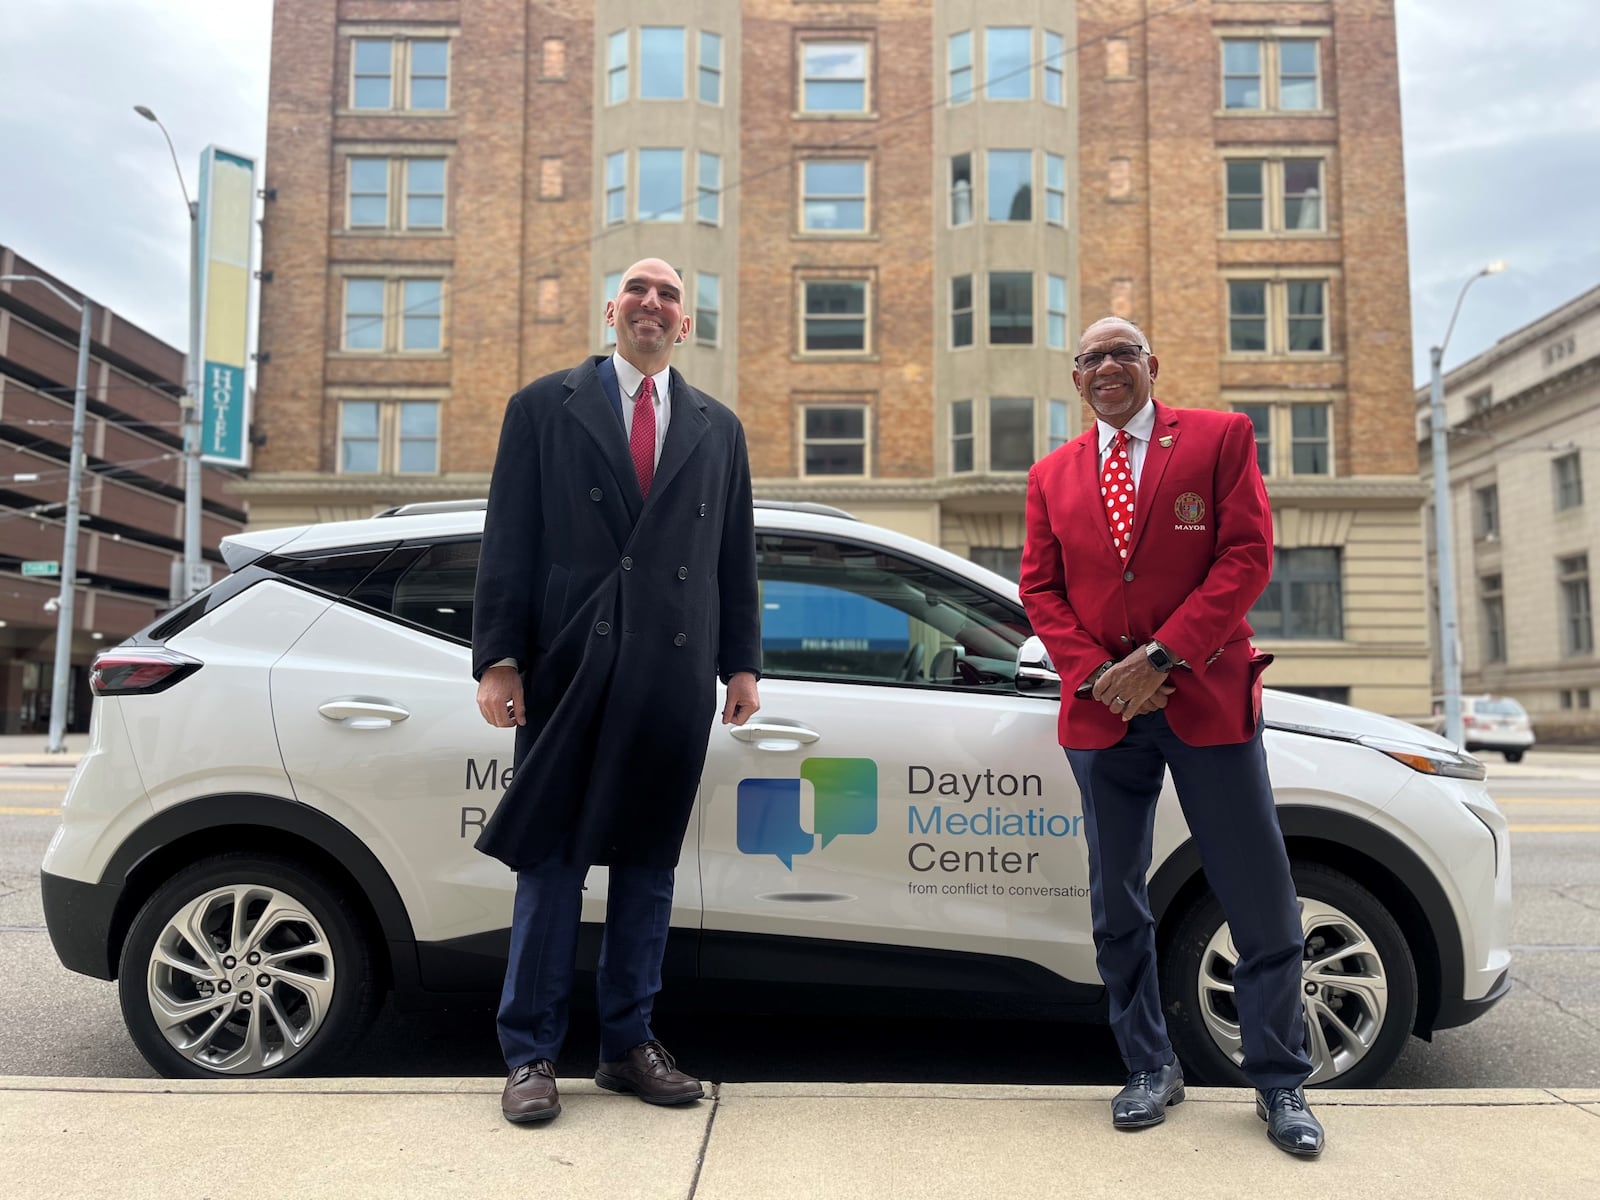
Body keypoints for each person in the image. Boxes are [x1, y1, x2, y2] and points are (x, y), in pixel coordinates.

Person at [1018, 316, 1324, 1158]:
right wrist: (1097, 674)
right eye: (1091, 358)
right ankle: (1149, 1067)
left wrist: (1159, 657)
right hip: (1101, 714)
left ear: (1152, 364)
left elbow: (1246, 558)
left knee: (1255, 890)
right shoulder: (1051, 474)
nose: (1107, 366)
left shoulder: (1221, 438)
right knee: (1118, 900)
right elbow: (1040, 591)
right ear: (1075, 380)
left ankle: (1280, 1079)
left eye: (1123, 352)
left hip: (1203, 699)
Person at [472, 258, 761, 1124]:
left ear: (685, 324)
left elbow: (733, 558)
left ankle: (629, 1045)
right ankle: (530, 1054)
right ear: (612, 311)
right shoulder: (541, 407)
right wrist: (498, 658)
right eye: (638, 288)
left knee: (646, 868)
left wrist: (740, 663)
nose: (653, 303)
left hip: (670, 676)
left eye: (669, 295)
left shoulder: (719, 427)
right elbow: (508, 537)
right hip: (566, 668)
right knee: (551, 865)